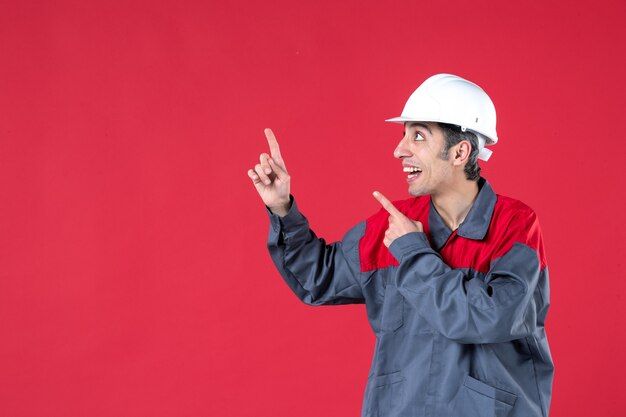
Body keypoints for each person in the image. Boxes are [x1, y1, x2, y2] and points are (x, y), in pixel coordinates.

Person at [247, 74, 553, 417]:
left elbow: (486, 318)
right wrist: (282, 208)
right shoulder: (392, 223)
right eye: (404, 134)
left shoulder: (515, 225)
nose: (399, 150)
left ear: (460, 152)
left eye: (418, 136)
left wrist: (412, 251)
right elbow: (319, 278)